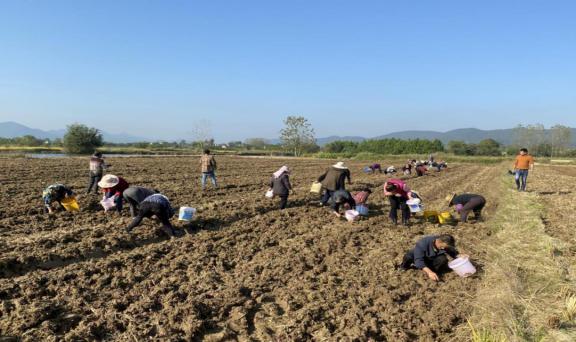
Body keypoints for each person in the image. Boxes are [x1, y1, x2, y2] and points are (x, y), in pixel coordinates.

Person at [400, 234, 467, 281]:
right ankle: (403, 267)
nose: (444, 248)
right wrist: (429, 272)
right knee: (408, 257)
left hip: (431, 258)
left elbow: (452, 252)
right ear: (439, 241)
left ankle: (433, 271)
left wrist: (459, 256)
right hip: (418, 257)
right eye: (443, 246)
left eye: (445, 247)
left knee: (443, 259)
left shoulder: (444, 244)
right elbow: (418, 260)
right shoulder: (423, 243)